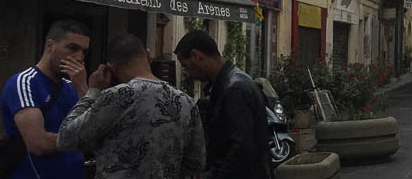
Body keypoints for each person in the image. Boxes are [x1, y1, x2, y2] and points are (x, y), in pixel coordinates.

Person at [57, 34, 206, 179]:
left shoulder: (118, 96)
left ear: (111, 67)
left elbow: (65, 139)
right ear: (148, 56)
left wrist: (92, 91)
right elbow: (196, 163)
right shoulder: (186, 102)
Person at [0, 19, 90, 179]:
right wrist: (81, 139)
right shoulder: (25, 83)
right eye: (72, 48)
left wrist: (83, 88)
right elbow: (38, 143)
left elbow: (95, 128)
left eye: (83, 51)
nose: (79, 57)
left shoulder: (71, 86)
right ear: (50, 46)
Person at [174, 29, 270, 179]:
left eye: (185, 66)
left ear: (196, 56)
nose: (187, 74)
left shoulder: (234, 89)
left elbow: (241, 149)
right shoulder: (228, 84)